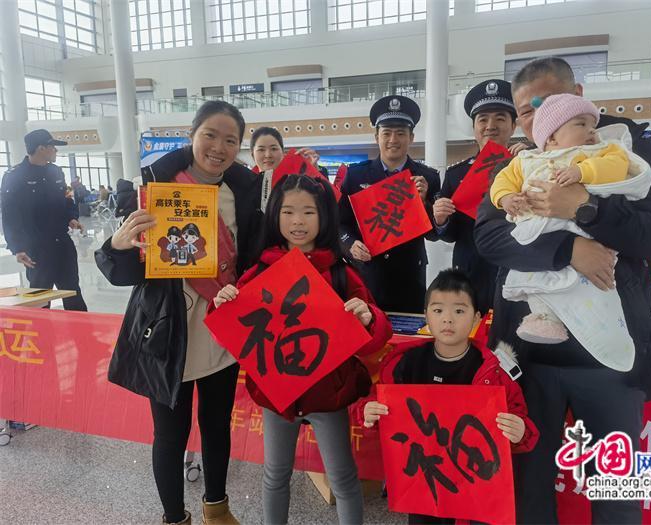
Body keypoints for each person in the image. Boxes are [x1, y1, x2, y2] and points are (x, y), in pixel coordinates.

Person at [474, 57, 651, 524]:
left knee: (618, 492)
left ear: (579, 94)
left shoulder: (624, 147)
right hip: (529, 357)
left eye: (549, 101)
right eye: (527, 111)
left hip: (612, 359)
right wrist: (568, 248)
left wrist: (585, 208)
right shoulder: (524, 161)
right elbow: (489, 236)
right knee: (529, 487)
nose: (538, 117)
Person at [95, 100, 264, 525]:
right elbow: (125, 272)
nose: (219, 147)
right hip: (168, 329)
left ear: (239, 147)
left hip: (221, 327)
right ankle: (174, 517)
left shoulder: (245, 191)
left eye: (230, 140)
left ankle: (217, 508)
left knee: (217, 424)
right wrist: (118, 245)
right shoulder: (154, 186)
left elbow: (256, 256)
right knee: (170, 434)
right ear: (192, 135)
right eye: (210, 135)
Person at [214, 174, 392, 525]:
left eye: (309, 212)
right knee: (275, 474)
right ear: (275, 216)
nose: (298, 221)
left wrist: (369, 317)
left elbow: (376, 336)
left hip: (329, 392)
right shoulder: (260, 270)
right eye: (288, 212)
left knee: (343, 477)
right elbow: (230, 334)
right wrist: (222, 304)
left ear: (324, 216)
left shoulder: (340, 273)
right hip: (277, 394)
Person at [490, 94, 651, 373]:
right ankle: (544, 318)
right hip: (541, 237)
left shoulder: (600, 152)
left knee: (596, 288)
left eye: (593, 124)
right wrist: (505, 198)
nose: (592, 131)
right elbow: (502, 182)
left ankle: (604, 335)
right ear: (552, 137)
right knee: (537, 281)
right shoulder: (525, 160)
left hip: (590, 236)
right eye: (581, 124)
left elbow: (617, 167)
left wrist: (581, 171)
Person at [361, 269, 538, 524]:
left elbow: (520, 421)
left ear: (476, 318)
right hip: (424, 482)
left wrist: (520, 432)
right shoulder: (404, 364)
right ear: (426, 315)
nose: (447, 319)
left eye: (459, 311)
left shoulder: (492, 371)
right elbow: (380, 409)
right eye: (438, 310)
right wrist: (369, 412)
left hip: (471, 483)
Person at [339, 95, 441, 313]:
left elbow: (434, 234)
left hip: (410, 278)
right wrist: (350, 245)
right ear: (377, 137)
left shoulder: (427, 177)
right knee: (367, 328)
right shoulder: (356, 176)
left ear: (411, 137)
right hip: (368, 274)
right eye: (386, 133)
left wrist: (423, 202)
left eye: (401, 133)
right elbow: (340, 224)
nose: (393, 139)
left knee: (409, 331)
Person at [431, 80, 524, 315]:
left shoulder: (528, 165)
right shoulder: (456, 174)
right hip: (471, 273)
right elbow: (451, 235)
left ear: (513, 125)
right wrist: (441, 220)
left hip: (517, 270)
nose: (490, 126)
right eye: (483, 119)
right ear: (474, 127)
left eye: (500, 118)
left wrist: (531, 160)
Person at [1, 129, 88, 311]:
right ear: (41, 148)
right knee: (40, 297)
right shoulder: (14, 176)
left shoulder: (55, 172)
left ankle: (82, 327)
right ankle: (40, 329)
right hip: (36, 249)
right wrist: (17, 247)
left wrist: (71, 217)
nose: (56, 151)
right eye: (53, 147)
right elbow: (9, 216)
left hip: (62, 243)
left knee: (72, 291)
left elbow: (66, 199)